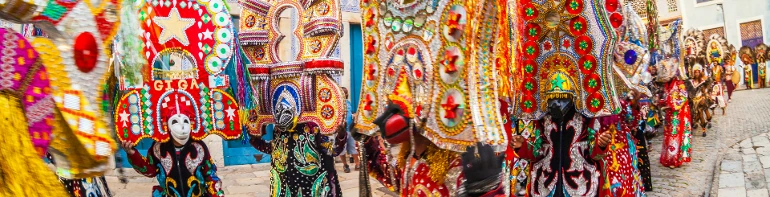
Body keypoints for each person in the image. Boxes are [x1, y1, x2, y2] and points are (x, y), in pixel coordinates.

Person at [122, 102, 224, 197]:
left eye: (185, 121)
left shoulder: (199, 147)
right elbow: (149, 170)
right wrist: (132, 154)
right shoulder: (158, 148)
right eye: (175, 122)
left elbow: (210, 175)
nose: (182, 127)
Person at [687, 64, 712, 137]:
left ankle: (703, 130)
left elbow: (704, 92)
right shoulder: (690, 82)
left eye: (698, 72)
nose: (697, 73)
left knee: (701, 115)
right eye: (695, 72)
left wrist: (705, 97)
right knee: (693, 116)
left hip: (700, 101)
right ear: (693, 73)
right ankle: (692, 127)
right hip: (693, 102)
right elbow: (689, 92)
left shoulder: (702, 82)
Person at [339, 87, 360, 173]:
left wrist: (353, 116)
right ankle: (345, 165)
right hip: (342, 131)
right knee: (342, 149)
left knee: (353, 147)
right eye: (344, 93)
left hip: (350, 130)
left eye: (346, 93)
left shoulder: (348, 103)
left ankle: (357, 163)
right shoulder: (337, 104)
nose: (346, 94)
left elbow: (351, 113)